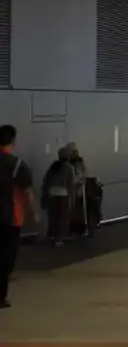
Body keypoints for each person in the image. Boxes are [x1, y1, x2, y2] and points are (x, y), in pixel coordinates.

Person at [0, 124, 37, 309]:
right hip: (10, 219)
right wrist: (34, 212)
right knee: (6, 258)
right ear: (13, 140)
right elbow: (28, 191)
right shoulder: (17, 165)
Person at [41, 147, 76, 246]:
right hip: (63, 194)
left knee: (53, 216)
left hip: (51, 193)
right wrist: (72, 199)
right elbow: (71, 184)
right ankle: (58, 239)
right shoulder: (69, 167)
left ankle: (51, 235)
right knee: (62, 217)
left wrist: (44, 197)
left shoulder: (53, 166)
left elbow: (46, 181)